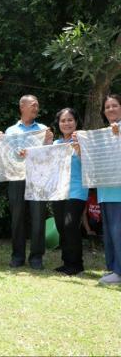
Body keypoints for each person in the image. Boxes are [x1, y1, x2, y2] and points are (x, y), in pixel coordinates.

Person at [5, 95, 53, 270]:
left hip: (38, 179)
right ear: (22, 107)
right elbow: (6, 155)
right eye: (33, 105)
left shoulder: (43, 130)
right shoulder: (10, 131)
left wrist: (48, 142)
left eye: (37, 105)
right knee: (17, 217)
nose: (36, 108)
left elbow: (50, 156)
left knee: (38, 217)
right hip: (16, 178)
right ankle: (17, 256)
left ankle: (36, 257)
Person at [51, 108, 87, 275]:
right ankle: (67, 262)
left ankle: (76, 265)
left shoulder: (83, 140)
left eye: (70, 120)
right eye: (63, 121)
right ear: (58, 124)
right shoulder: (55, 144)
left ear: (76, 122)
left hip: (77, 190)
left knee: (70, 225)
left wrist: (79, 151)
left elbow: (91, 164)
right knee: (61, 226)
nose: (66, 123)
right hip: (58, 191)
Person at [95, 94, 121, 285]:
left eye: (114, 105)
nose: (111, 109)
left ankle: (119, 271)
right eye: (107, 107)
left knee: (118, 231)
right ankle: (114, 268)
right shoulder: (104, 133)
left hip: (119, 191)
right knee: (110, 232)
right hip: (105, 190)